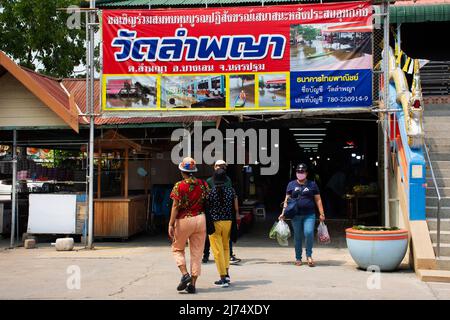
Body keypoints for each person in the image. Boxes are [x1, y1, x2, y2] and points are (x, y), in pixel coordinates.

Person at [169, 157, 209, 294]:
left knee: (177, 249)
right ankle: (192, 284)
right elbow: (207, 201)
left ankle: (185, 274)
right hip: (201, 219)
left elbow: (175, 206)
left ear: (182, 171)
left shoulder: (179, 186)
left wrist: (170, 223)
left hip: (184, 220)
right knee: (197, 254)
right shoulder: (203, 184)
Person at [279, 163, 326, 267]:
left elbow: (318, 200)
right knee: (298, 236)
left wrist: (322, 213)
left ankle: (309, 255)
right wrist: (283, 213)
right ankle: (298, 258)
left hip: (309, 214)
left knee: (309, 233)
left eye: (302, 172)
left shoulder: (312, 184)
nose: (300, 174)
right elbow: (286, 201)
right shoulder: (291, 184)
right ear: (296, 173)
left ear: (306, 173)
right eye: (298, 172)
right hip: (295, 215)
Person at [206, 168, 240, 287]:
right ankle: (227, 273)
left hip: (215, 223)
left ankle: (223, 278)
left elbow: (207, 207)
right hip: (228, 222)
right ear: (225, 179)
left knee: (217, 251)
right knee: (226, 248)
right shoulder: (231, 191)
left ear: (214, 180)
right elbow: (234, 207)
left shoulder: (210, 192)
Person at [203, 160, 241, 264]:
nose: (222, 168)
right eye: (220, 166)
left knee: (222, 237)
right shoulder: (209, 181)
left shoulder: (227, 180)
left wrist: (236, 212)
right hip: (221, 214)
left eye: (223, 167)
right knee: (214, 237)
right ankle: (206, 255)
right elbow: (233, 197)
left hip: (219, 214)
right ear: (215, 167)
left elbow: (206, 200)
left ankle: (228, 256)